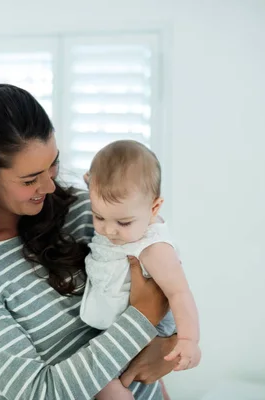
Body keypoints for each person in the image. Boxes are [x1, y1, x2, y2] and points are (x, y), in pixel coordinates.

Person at [0, 84, 178, 400]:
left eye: (53, 165)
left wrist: (170, 342)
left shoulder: (85, 212)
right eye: (30, 179)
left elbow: (165, 280)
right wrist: (142, 317)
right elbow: (37, 392)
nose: (49, 186)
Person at [80, 141, 201, 400]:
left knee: (105, 387)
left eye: (123, 222)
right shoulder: (117, 214)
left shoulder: (152, 247)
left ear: (154, 208)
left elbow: (179, 292)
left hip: (152, 330)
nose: (109, 230)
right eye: (98, 217)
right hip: (121, 323)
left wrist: (189, 340)